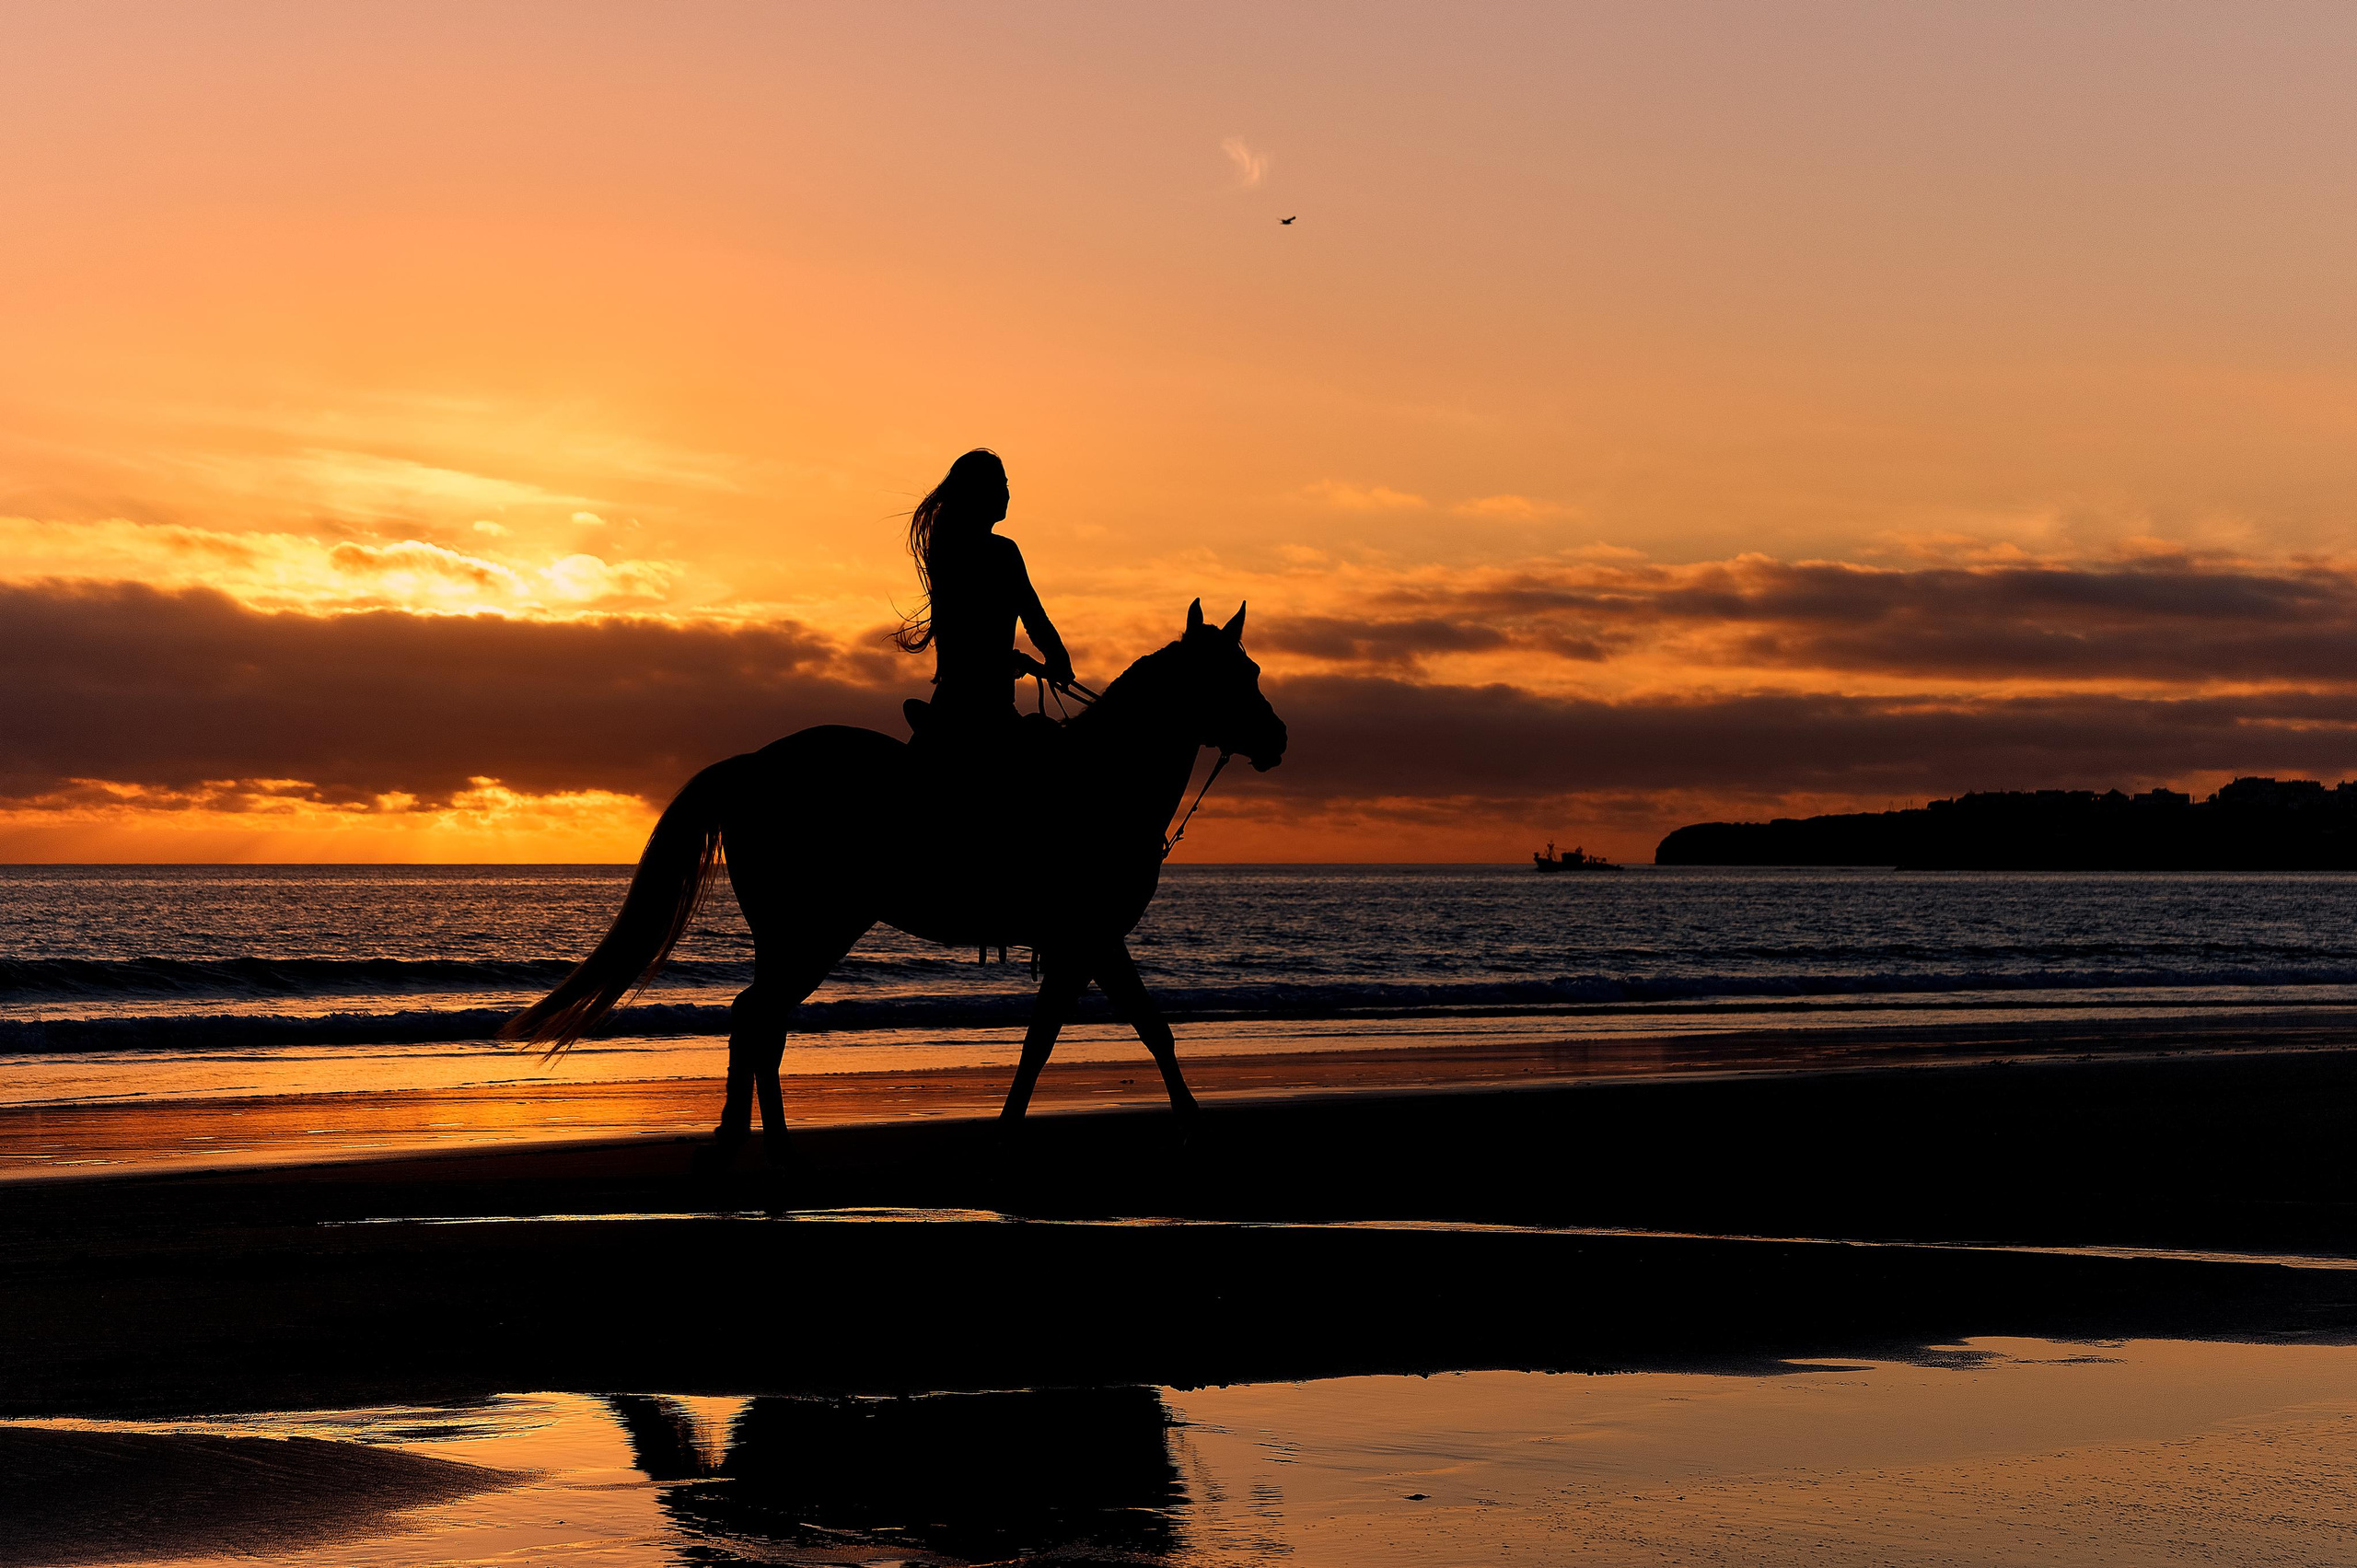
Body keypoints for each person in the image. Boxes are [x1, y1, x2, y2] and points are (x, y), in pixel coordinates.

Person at [894, 448, 1074, 744]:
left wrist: (1021, 659)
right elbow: (1033, 618)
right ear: (979, 492)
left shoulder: (947, 552)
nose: (1007, 494)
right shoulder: (1002, 552)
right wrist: (1057, 659)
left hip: (950, 703)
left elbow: (964, 636)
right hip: (986, 711)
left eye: (1006, 486)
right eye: (1000, 485)